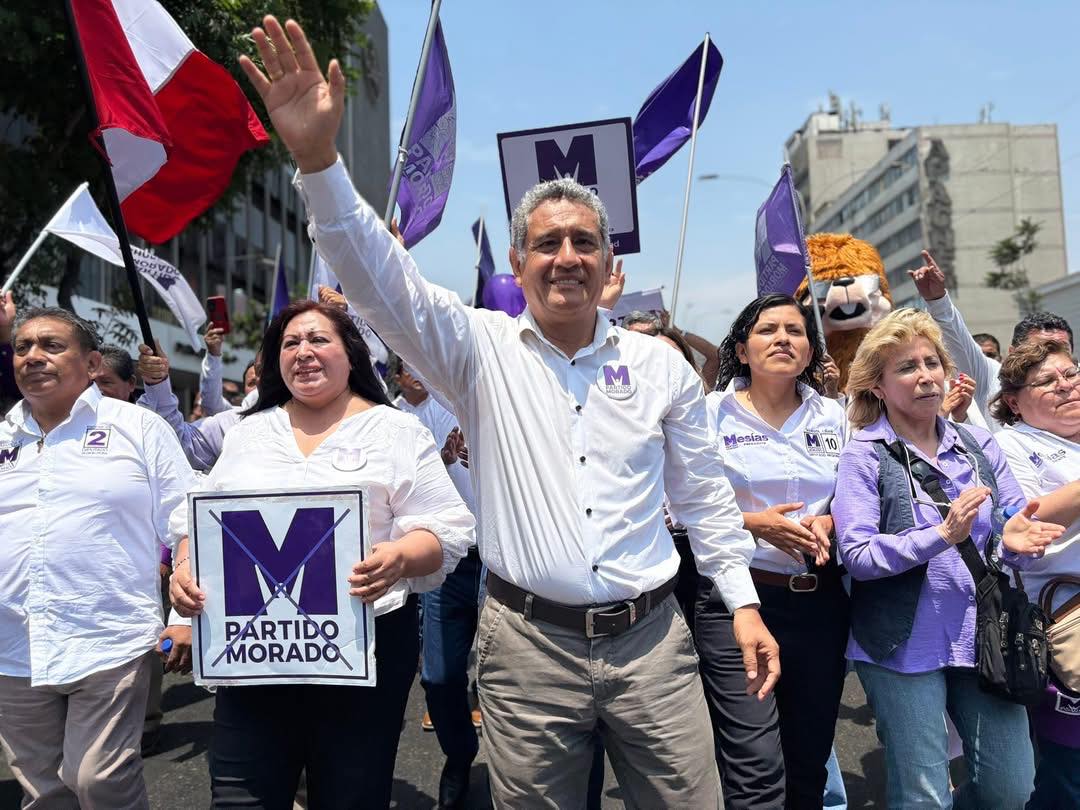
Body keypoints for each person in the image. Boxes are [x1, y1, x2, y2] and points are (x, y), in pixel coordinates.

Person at [238, 17, 777, 807]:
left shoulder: (660, 366)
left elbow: (704, 501)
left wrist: (744, 605)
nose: (567, 257)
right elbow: (381, 281)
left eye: (584, 242)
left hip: (654, 647)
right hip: (528, 652)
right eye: (548, 243)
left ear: (609, 263)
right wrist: (318, 160)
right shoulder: (473, 348)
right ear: (519, 265)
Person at [169, 300, 475, 808]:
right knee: (241, 797)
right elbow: (197, 521)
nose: (304, 352)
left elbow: (446, 529)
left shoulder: (395, 430)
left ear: (351, 353)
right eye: (291, 343)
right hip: (254, 659)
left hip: (366, 652)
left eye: (318, 340)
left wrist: (399, 556)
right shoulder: (248, 431)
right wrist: (182, 569)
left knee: (350, 795)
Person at [832, 308, 1064, 808]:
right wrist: (941, 534)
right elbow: (857, 553)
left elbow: (1006, 529)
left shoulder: (978, 444)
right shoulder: (864, 454)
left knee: (1011, 788)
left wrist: (1016, 544)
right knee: (923, 796)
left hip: (985, 638)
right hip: (899, 646)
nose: (925, 376)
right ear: (876, 385)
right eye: (906, 367)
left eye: (931, 362)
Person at [0, 307, 196, 809]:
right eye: (23, 347)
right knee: (42, 791)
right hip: (13, 646)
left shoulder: (140, 427)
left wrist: (184, 615)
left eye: (50, 346)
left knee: (98, 780)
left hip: (109, 637)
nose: (33, 357)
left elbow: (187, 524)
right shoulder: (4, 436)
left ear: (90, 364)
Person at [700, 294, 848, 808]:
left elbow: (859, 495)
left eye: (796, 331)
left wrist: (833, 518)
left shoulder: (835, 415)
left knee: (808, 763)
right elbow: (676, 507)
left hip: (820, 604)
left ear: (810, 352)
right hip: (735, 604)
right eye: (767, 330)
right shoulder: (708, 415)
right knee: (756, 769)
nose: (783, 338)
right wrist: (751, 524)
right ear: (742, 349)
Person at [987, 340, 1080, 808]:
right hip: (1068, 614)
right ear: (1014, 402)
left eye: (1071, 373)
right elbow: (1026, 520)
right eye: (1047, 381)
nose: (1066, 386)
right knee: (1071, 774)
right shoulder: (1011, 445)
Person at [390, 356, 483, 809]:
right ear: (397, 377)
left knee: (505, 675)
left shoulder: (460, 401)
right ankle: (460, 754)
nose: (420, 374)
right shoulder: (390, 420)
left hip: (501, 560)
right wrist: (445, 458)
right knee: (440, 676)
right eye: (409, 368)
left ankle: (515, 770)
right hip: (447, 560)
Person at [909, 250, 1073, 429]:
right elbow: (959, 341)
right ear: (1012, 403)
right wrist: (938, 301)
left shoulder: (1074, 384)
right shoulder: (993, 378)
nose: (1062, 386)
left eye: (1060, 349)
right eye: (1039, 351)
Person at [136, 344, 261, 471]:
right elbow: (183, 443)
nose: (259, 384)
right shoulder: (232, 422)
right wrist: (158, 382)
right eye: (252, 383)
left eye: (266, 374)